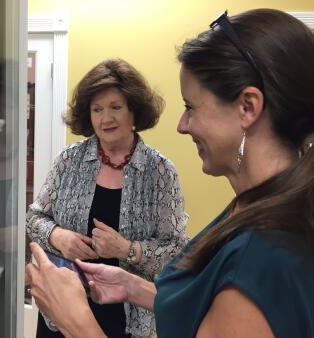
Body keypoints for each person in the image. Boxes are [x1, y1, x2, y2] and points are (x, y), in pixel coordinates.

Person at [26, 9, 314, 338]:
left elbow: (177, 253)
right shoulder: (256, 206)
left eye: (191, 107)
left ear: (247, 107)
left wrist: (77, 323)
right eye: (97, 109)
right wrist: (133, 286)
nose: (182, 125)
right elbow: (201, 299)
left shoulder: (264, 259)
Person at [26, 58, 188, 338]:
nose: (106, 118)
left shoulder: (160, 171)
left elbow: (175, 250)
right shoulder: (69, 159)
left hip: (126, 316)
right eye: (97, 109)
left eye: (116, 107)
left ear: (134, 111)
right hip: (62, 307)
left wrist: (126, 248)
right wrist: (58, 237)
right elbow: (34, 218)